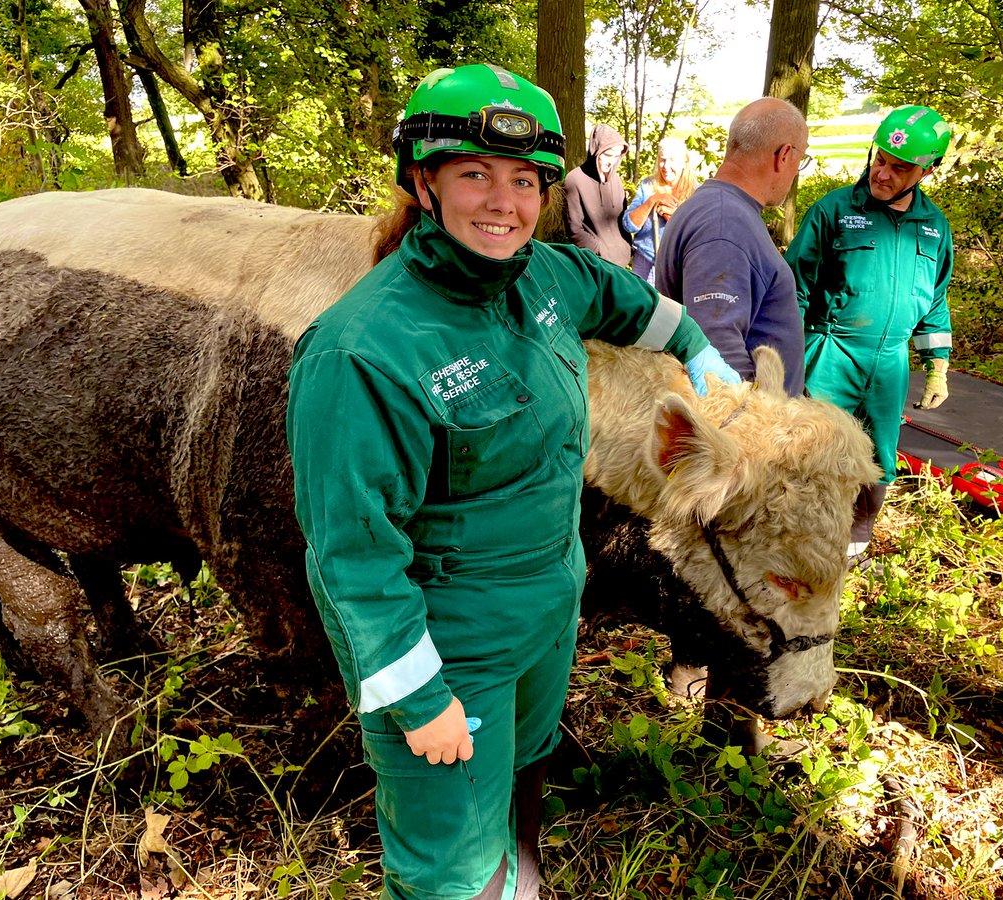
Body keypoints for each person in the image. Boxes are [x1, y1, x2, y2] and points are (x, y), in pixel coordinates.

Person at [285, 64, 739, 900]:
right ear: (422, 183)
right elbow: (352, 556)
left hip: (546, 613)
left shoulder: (543, 277)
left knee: (526, 789)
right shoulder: (363, 351)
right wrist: (415, 695)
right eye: (475, 174)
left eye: (525, 181)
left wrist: (692, 343)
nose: (504, 201)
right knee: (448, 871)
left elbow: (619, 295)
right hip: (452, 648)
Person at [783, 104, 954, 567]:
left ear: (927, 169)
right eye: (880, 159)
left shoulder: (934, 227)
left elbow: (935, 299)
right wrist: (789, 358)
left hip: (890, 362)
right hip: (832, 349)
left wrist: (937, 367)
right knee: (812, 450)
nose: (883, 173)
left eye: (900, 168)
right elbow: (793, 290)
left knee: (879, 455)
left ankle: (859, 534)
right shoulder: (833, 211)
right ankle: (799, 541)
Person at [656, 97, 810, 394]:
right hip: (751, 432)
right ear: (784, 155)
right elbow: (717, 358)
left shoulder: (721, 211)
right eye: (800, 161)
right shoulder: (724, 226)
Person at [622, 137, 696, 284]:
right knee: (642, 305)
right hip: (645, 260)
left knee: (673, 306)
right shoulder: (648, 186)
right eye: (662, 160)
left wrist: (674, 215)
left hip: (679, 265)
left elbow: (698, 232)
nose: (666, 166)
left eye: (672, 160)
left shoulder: (695, 192)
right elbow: (628, 224)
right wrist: (653, 200)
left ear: (684, 162)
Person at [563, 124, 631, 267]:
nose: (611, 161)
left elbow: (622, 221)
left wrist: (626, 248)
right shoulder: (574, 180)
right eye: (607, 155)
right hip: (596, 264)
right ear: (596, 151)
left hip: (622, 263)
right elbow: (574, 229)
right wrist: (600, 252)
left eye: (616, 155)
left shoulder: (617, 181)